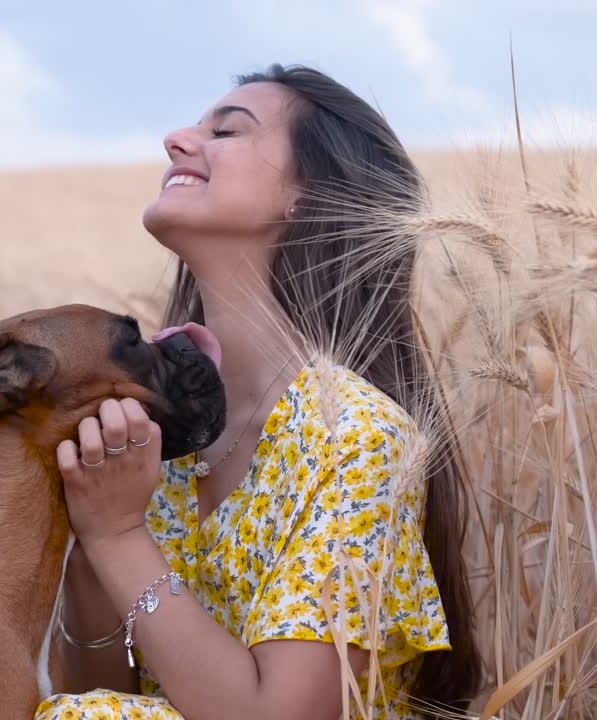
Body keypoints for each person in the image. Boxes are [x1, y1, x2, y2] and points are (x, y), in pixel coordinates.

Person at [39, 64, 482, 720]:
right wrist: (88, 541)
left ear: (308, 194)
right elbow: (99, 695)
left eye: (225, 131)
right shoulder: (159, 432)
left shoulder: (353, 438)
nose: (177, 141)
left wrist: (117, 534)